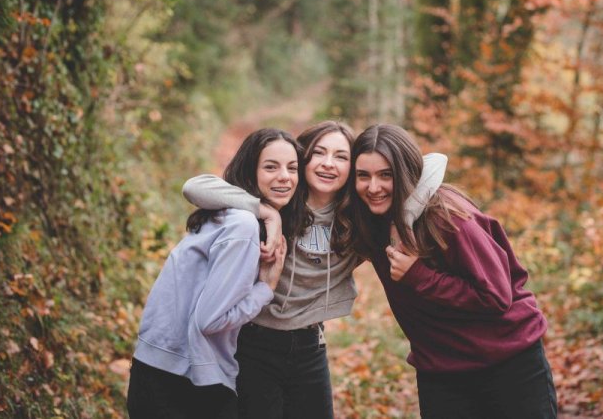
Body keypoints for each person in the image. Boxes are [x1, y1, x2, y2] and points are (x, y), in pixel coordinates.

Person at [181, 120, 447, 418]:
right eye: (319, 153)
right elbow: (195, 187)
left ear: (352, 167)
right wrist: (265, 211)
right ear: (303, 159)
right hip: (253, 343)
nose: (328, 164)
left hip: (310, 347)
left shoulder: (358, 220)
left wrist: (404, 220)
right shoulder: (281, 199)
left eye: (341, 157)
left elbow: (436, 162)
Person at [348, 124, 557, 419]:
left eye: (386, 175)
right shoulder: (371, 221)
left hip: (508, 363)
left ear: (407, 172)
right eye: (363, 176)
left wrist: (419, 276)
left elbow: (496, 296)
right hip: (441, 371)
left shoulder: (447, 216)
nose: (373, 187)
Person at [127, 128, 309, 419]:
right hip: (181, 379)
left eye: (292, 168)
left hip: (160, 364)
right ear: (251, 171)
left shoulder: (228, 214)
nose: (285, 177)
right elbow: (210, 320)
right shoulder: (243, 225)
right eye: (271, 167)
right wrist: (266, 287)